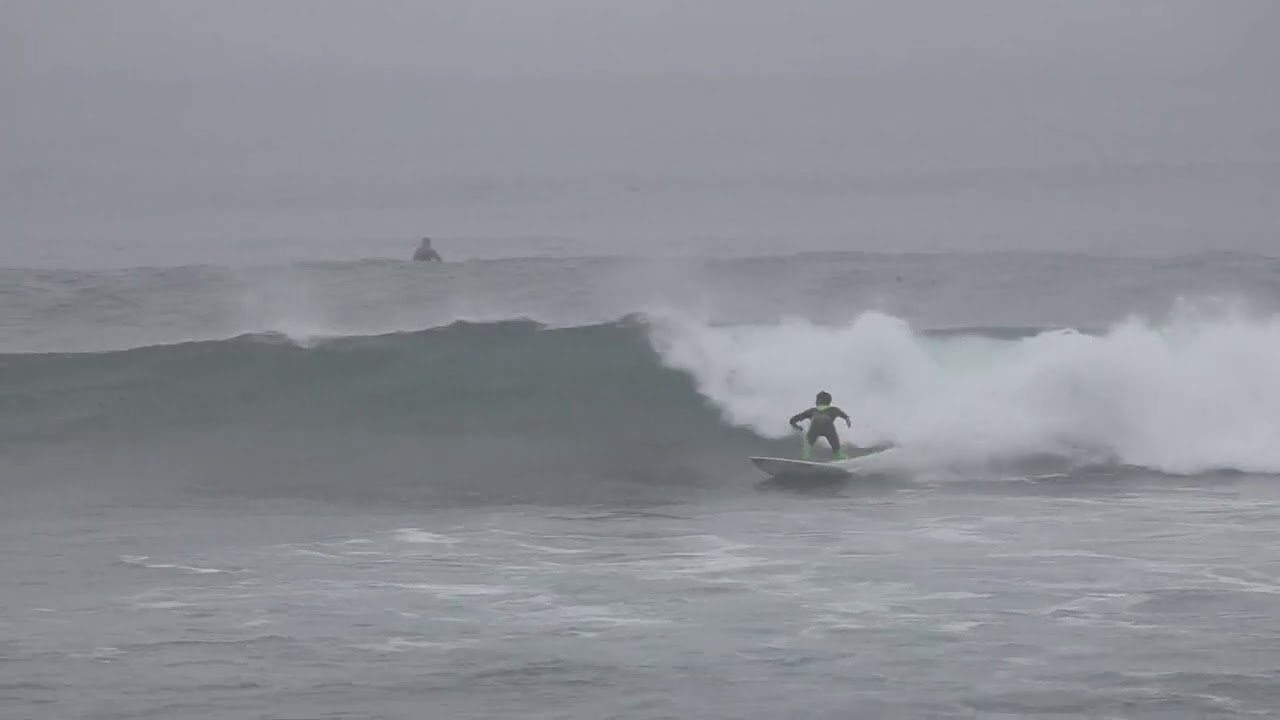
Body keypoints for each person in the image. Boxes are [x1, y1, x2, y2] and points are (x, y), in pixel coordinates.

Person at [789, 391, 852, 461]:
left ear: (818, 401)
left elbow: (794, 419)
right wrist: (848, 421)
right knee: (835, 444)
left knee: (808, 443)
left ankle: (806, 457)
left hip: (815, 426)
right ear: (829, 402)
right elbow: (845, 416)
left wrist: (796, 426)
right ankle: (839, 457)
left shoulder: (812, 410)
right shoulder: (834, 409)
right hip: (829, 427)